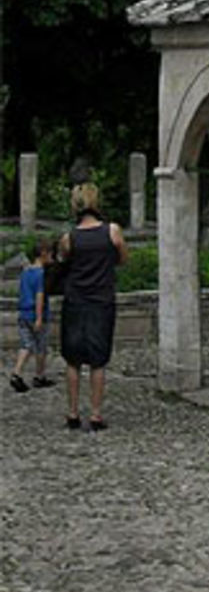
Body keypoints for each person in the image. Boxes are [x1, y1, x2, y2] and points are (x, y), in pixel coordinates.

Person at [59, 182, 128, 431]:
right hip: (102, 300)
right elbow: (122, 258)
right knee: (98, 360)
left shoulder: (69, 238)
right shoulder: (112, 231)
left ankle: (73, 412)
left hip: (75, 301)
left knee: (73, 359)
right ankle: (96, 414)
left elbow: (64, 263)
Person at [9, 238, 56, 393]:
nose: (52, 257)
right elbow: (39, 295)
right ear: (43, 254)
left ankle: (16, 373)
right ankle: (39, 376)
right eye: (50, 254)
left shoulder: (26, 271)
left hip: (23, 312)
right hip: (36, 313)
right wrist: (39, 317)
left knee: (26, 345)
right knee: (41, 347)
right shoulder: (41, 274)